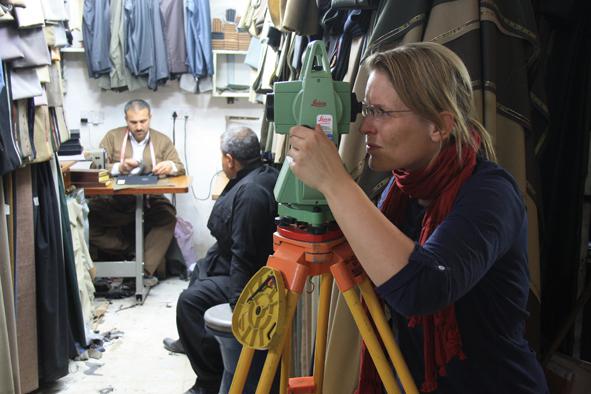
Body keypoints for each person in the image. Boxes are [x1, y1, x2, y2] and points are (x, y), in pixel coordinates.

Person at [286, 42, 548, 393]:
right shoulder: (399, 191)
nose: (365, 126)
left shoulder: (492, 194)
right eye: (366, 108)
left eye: (381, 111)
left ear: (439, 126)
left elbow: (423, 287)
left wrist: (335, 182)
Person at [171, 127, 278, 394]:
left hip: (249, 275)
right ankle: (191, 338)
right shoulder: (260, 173)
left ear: (230, 159)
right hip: (231, 259)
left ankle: (208, 381)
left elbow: (245, 254)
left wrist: (238, 304)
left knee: (189, 302)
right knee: (200, 271)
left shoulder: (250, 194)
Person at [88, 99, 185, 279]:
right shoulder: (112, 137)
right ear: (126, 119)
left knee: (167, 217)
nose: (139, 127)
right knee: (86, 221)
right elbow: (95, 167)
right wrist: (119, 167)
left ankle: (144, 272)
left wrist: (169, 166)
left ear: (150, 118)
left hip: (150, 200)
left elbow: (180, 166)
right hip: (116, 200)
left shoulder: (162, 140)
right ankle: (133, 250)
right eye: (133, 122)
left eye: (143, 121)